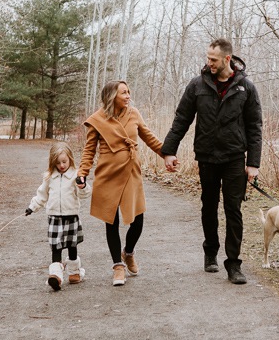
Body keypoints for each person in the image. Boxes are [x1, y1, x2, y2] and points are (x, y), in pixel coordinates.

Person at [162, 38, 262, 284]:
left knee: (233, 209)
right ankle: (210, 252)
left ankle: (234, 264)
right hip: (206, 156)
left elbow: (255, 127)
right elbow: (181, 119)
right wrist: (169, 150)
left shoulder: (245, 88)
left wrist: (253, 163)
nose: (209, 63)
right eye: (208, 58)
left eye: (213, 59)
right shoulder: (197, 85)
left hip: (234, 157)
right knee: (208, 205)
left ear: (227, 59)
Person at [77, 80, 164, 286]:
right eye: (124, 93)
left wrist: (167, 154)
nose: (128, 96)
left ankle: (129, 251)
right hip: (107, 174)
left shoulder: (133, 113)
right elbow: (89, 150)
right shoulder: (97, 119)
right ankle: (118, 265)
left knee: (138, 219)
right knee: (111, 220)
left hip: (131, 171)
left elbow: (149, 137)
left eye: (128, 92)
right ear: (112, 96)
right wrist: (82, 172)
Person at [25, 141, 92, 291]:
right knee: (56, 247)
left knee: (71, 246)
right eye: (58, 163)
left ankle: (74, 273)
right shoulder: (49, 177)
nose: (62, 165)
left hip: (71, 216)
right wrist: (32, 207)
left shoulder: (75, 175)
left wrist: (83, 186)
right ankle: (55, 275)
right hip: (55, 218)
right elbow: (42, 195)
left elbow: (85, 194)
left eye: (64, 162)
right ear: (52, 162)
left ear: (70, 159)